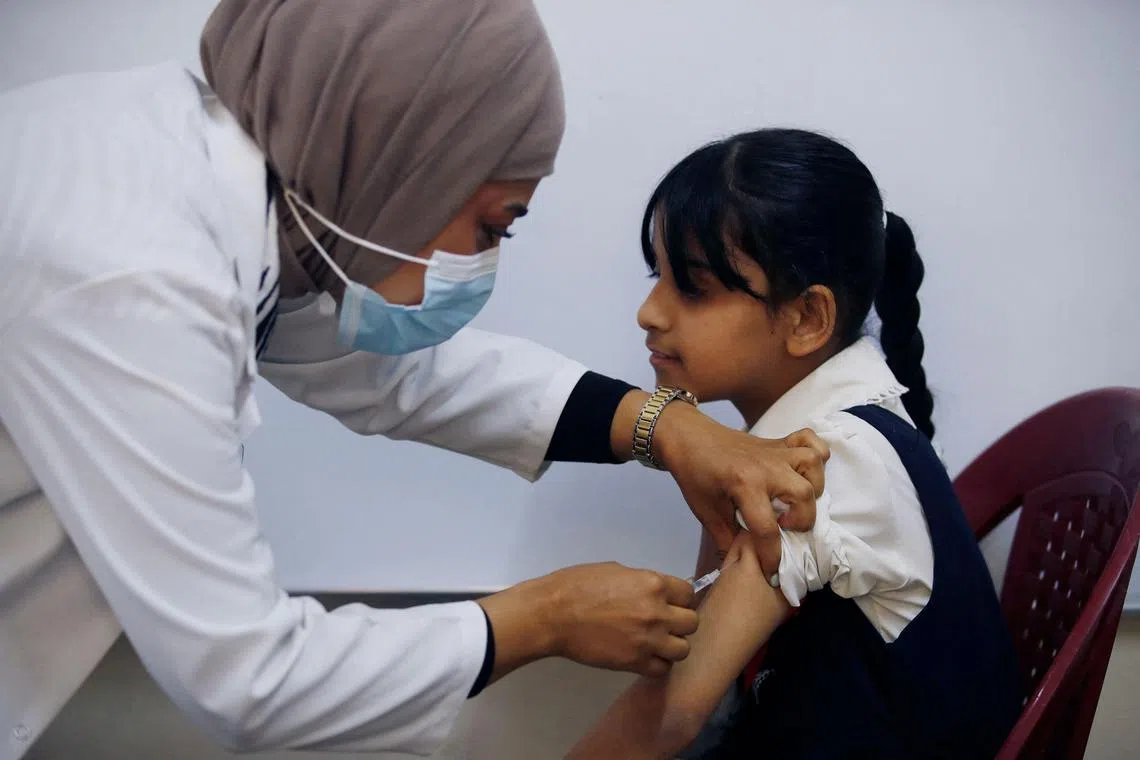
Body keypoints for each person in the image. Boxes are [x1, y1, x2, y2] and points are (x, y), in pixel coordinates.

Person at [0, 2, 830, 757]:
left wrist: (668, 428)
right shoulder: (132, 278)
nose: (483, 262)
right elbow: (247, 677)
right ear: (404, 159)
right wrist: (542, 618)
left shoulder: (211, 180)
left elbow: (396, 373)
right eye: (489, 224)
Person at [568, 128, 1024, 759]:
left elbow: (672, 713)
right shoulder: (802, 436)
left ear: (808, 318)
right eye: (657, 275)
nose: (649, 310)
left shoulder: (824, 466)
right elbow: (704, 647)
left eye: (692, 287)